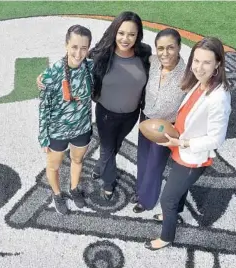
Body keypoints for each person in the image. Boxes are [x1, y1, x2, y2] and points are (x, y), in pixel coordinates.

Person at [144, 37, 231, 250]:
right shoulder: (200, 83)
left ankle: (166, 237)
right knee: (177, 191)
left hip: (191, 156)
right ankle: (175, 211)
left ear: (218, 63)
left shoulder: (219, 97)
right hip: (181, 148)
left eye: (206, 62)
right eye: (196, 60)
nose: (199, 67)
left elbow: (216, 139)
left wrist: (183, 142)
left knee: (168, 199)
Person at [88, 11, 152, 201]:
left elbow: (163, 69)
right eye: (121, 33)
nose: (126, 39)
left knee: (115, 145)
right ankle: (108, 183)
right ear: (114, 32)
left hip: (131, 115)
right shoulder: (101, 54)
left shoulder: (145, 53)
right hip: (106, 114)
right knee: (108, 148)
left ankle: (100, 166)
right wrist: (45, 78)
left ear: (138, 35)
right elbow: (74, 63)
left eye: (131, 34)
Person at [38, 24, 94, 215]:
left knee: (77, 161)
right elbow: (44, 106)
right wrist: (43, 136)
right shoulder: (52, 72)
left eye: (84, 48)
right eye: (74, 47)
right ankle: (56, 194)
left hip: (82, 128)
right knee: (54, 166)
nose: (78, 53)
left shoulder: (92, 67)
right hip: (57, 131)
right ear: (66, 45)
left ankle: (74, 188)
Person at [131, 28, 187, 214]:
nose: (165, 53)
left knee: (155, 164)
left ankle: (147, 200)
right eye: (160, 48)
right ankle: (140, 191)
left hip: (166, 126)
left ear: (179, 47)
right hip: (146, 117)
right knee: (143, 158)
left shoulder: (187, 75)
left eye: (170, 48)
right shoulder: (153, 61)